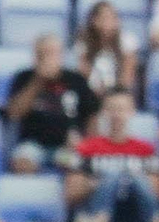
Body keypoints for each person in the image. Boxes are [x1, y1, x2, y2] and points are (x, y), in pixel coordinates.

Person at [66, 88, 159, 222]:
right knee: (112, 176)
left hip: (136, 212)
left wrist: (128, 180)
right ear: (103, 112)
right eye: (112, 109)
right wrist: (97, 184)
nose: (117, 115)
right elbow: (71, 193)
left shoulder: (146, 150)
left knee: (135, 179)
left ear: (132, 112)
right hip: (95, 206)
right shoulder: (86, 149)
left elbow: (155, 192)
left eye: (122, 109)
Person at [8, 34, 100, 175]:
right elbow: (14, 113)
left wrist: (85, 143)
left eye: (52, 53)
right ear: (35, 56)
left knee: (78, 166)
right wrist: (38, 81)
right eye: (43, 54)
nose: (48, 58)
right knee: (22, 164)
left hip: (65, 147)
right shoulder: (24, 77)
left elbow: (92, 114)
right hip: (34, 145)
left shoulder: (75, 79)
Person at [74, 0, 142, 97]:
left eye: (112, 17)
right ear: (93, 20)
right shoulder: (83, 42)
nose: (108, 22)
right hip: (93, 93)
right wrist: (98, 92)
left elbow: (127, 76)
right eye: (103, 18)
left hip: (119, 93)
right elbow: (84, 73)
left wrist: (114, 94)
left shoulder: (127, 41)